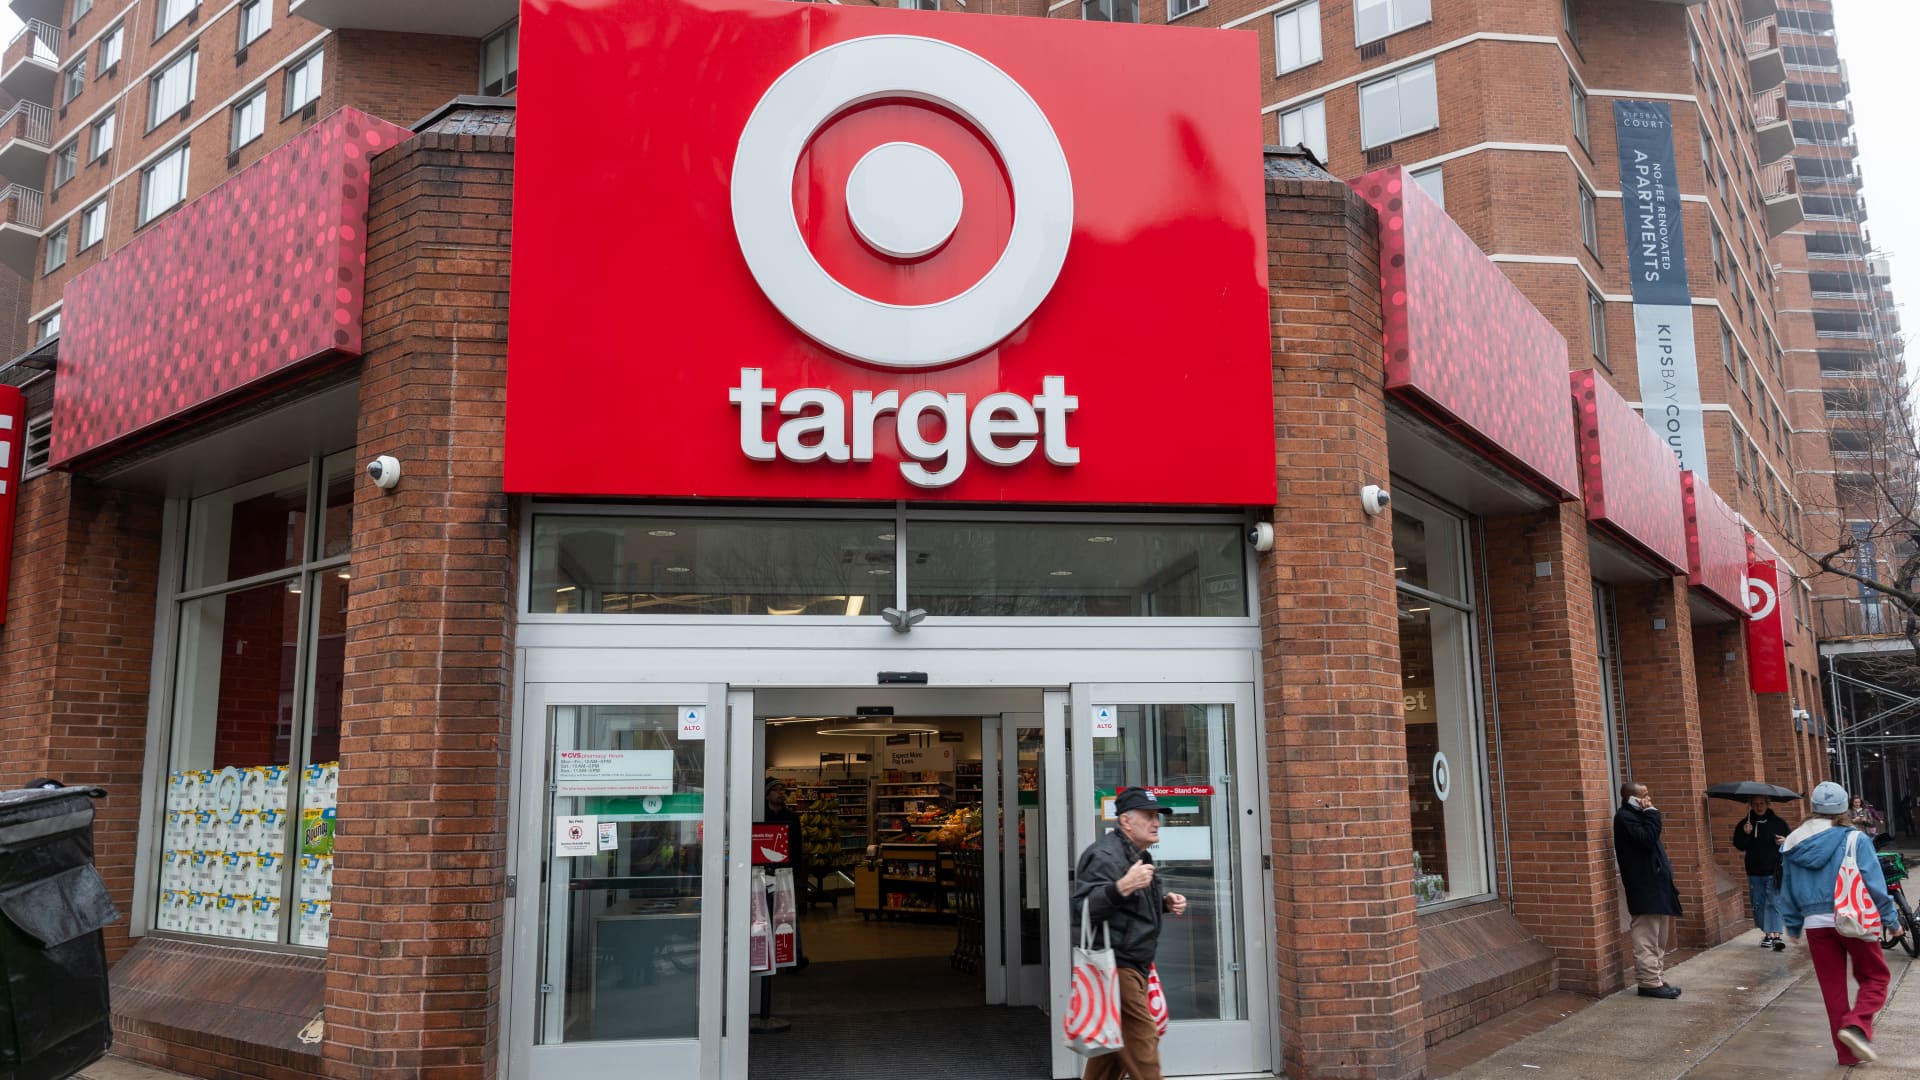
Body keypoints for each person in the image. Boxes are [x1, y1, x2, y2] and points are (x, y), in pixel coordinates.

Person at [1779, 781, 1898, 1067]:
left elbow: (1788, 888)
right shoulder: (1855, 839)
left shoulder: (1793, 842)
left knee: (1833, 991)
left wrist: (1793, 926)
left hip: (1815, 924)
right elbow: (1874, 883)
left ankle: (1847, 1055)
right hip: (1852, 917)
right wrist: (1891, 919)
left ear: (1813, 808)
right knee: (1876, 978)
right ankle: (1857, 1024)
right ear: (1843, 808)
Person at [1072, 787, 1188, 1080]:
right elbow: (1084, 908)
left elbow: (1129, 906)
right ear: (1125, 821)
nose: (1156, 823)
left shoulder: (1139, 855)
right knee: (1144, 1047)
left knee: (1112, 1054)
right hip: (1116, 967)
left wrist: (1163, 903)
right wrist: (1121, 887)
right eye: (1148, 816)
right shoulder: (1104, 856)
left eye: (1157, 816)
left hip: (1135, 964)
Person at [1614, 781, 1683, 999]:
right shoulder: (1625, 818)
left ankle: (1656, 977)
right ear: (1632, 798)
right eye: (1644, 796)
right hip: (1644, 886)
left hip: (1657, 886)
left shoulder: (1640, 816)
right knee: (1646, 936)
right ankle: (1648, 982)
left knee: (1659, 936)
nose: (1649, 799)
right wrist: (1652, 813)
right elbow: (1647, 838)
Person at [1732, 795, 1791, 951]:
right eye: (1755, 804)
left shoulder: (1778, 823)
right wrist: (1746, 833)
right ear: (1751, 805)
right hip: (1754, 870)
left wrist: (1784, 841)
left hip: (1774, 869)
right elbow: (1739, 845)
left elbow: (1791, 842)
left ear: (1767, 804)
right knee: (1758, 904)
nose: (1759, 807)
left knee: (1774, 902)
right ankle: (1767, 934)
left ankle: (1776, 936)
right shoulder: (1745, 824)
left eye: (1762, 803)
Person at [763, 778, 810, 969]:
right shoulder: (760, 815)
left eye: (782, 790)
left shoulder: (792, 817)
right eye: (776, 790)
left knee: (788, 915)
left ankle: (794, 957)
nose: (780, 793)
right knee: (764, 914)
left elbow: (797, 846)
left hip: (786, 873)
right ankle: (765, 955)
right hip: (764, 872)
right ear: (767, 795)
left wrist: (797, 873)